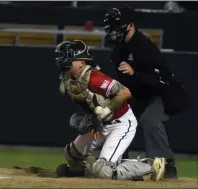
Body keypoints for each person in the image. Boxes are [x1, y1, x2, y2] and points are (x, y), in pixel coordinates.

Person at [54, 39, 166, 181]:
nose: (64, 60)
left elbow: (125, 92)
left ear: (82, 63)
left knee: (104, 171)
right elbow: (91, 104)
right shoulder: (69, 81)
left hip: (121, 124)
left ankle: (151, 165)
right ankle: (88, 170)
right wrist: (91, 119)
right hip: (101, 124)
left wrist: (106, 110)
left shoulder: (94, 78)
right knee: (71, 154)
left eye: (69, 57)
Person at [103, 5, 187, 179]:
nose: (113, 31)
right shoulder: (119, 49)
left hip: (165, 93)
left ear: (130, 26)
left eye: (117, 26)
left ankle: (167, 165)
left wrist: (135, 73)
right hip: (140, 94)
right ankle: (116, 160)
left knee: (150, 120)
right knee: (118, 117)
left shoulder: (143, 46)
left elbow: (161, 78)